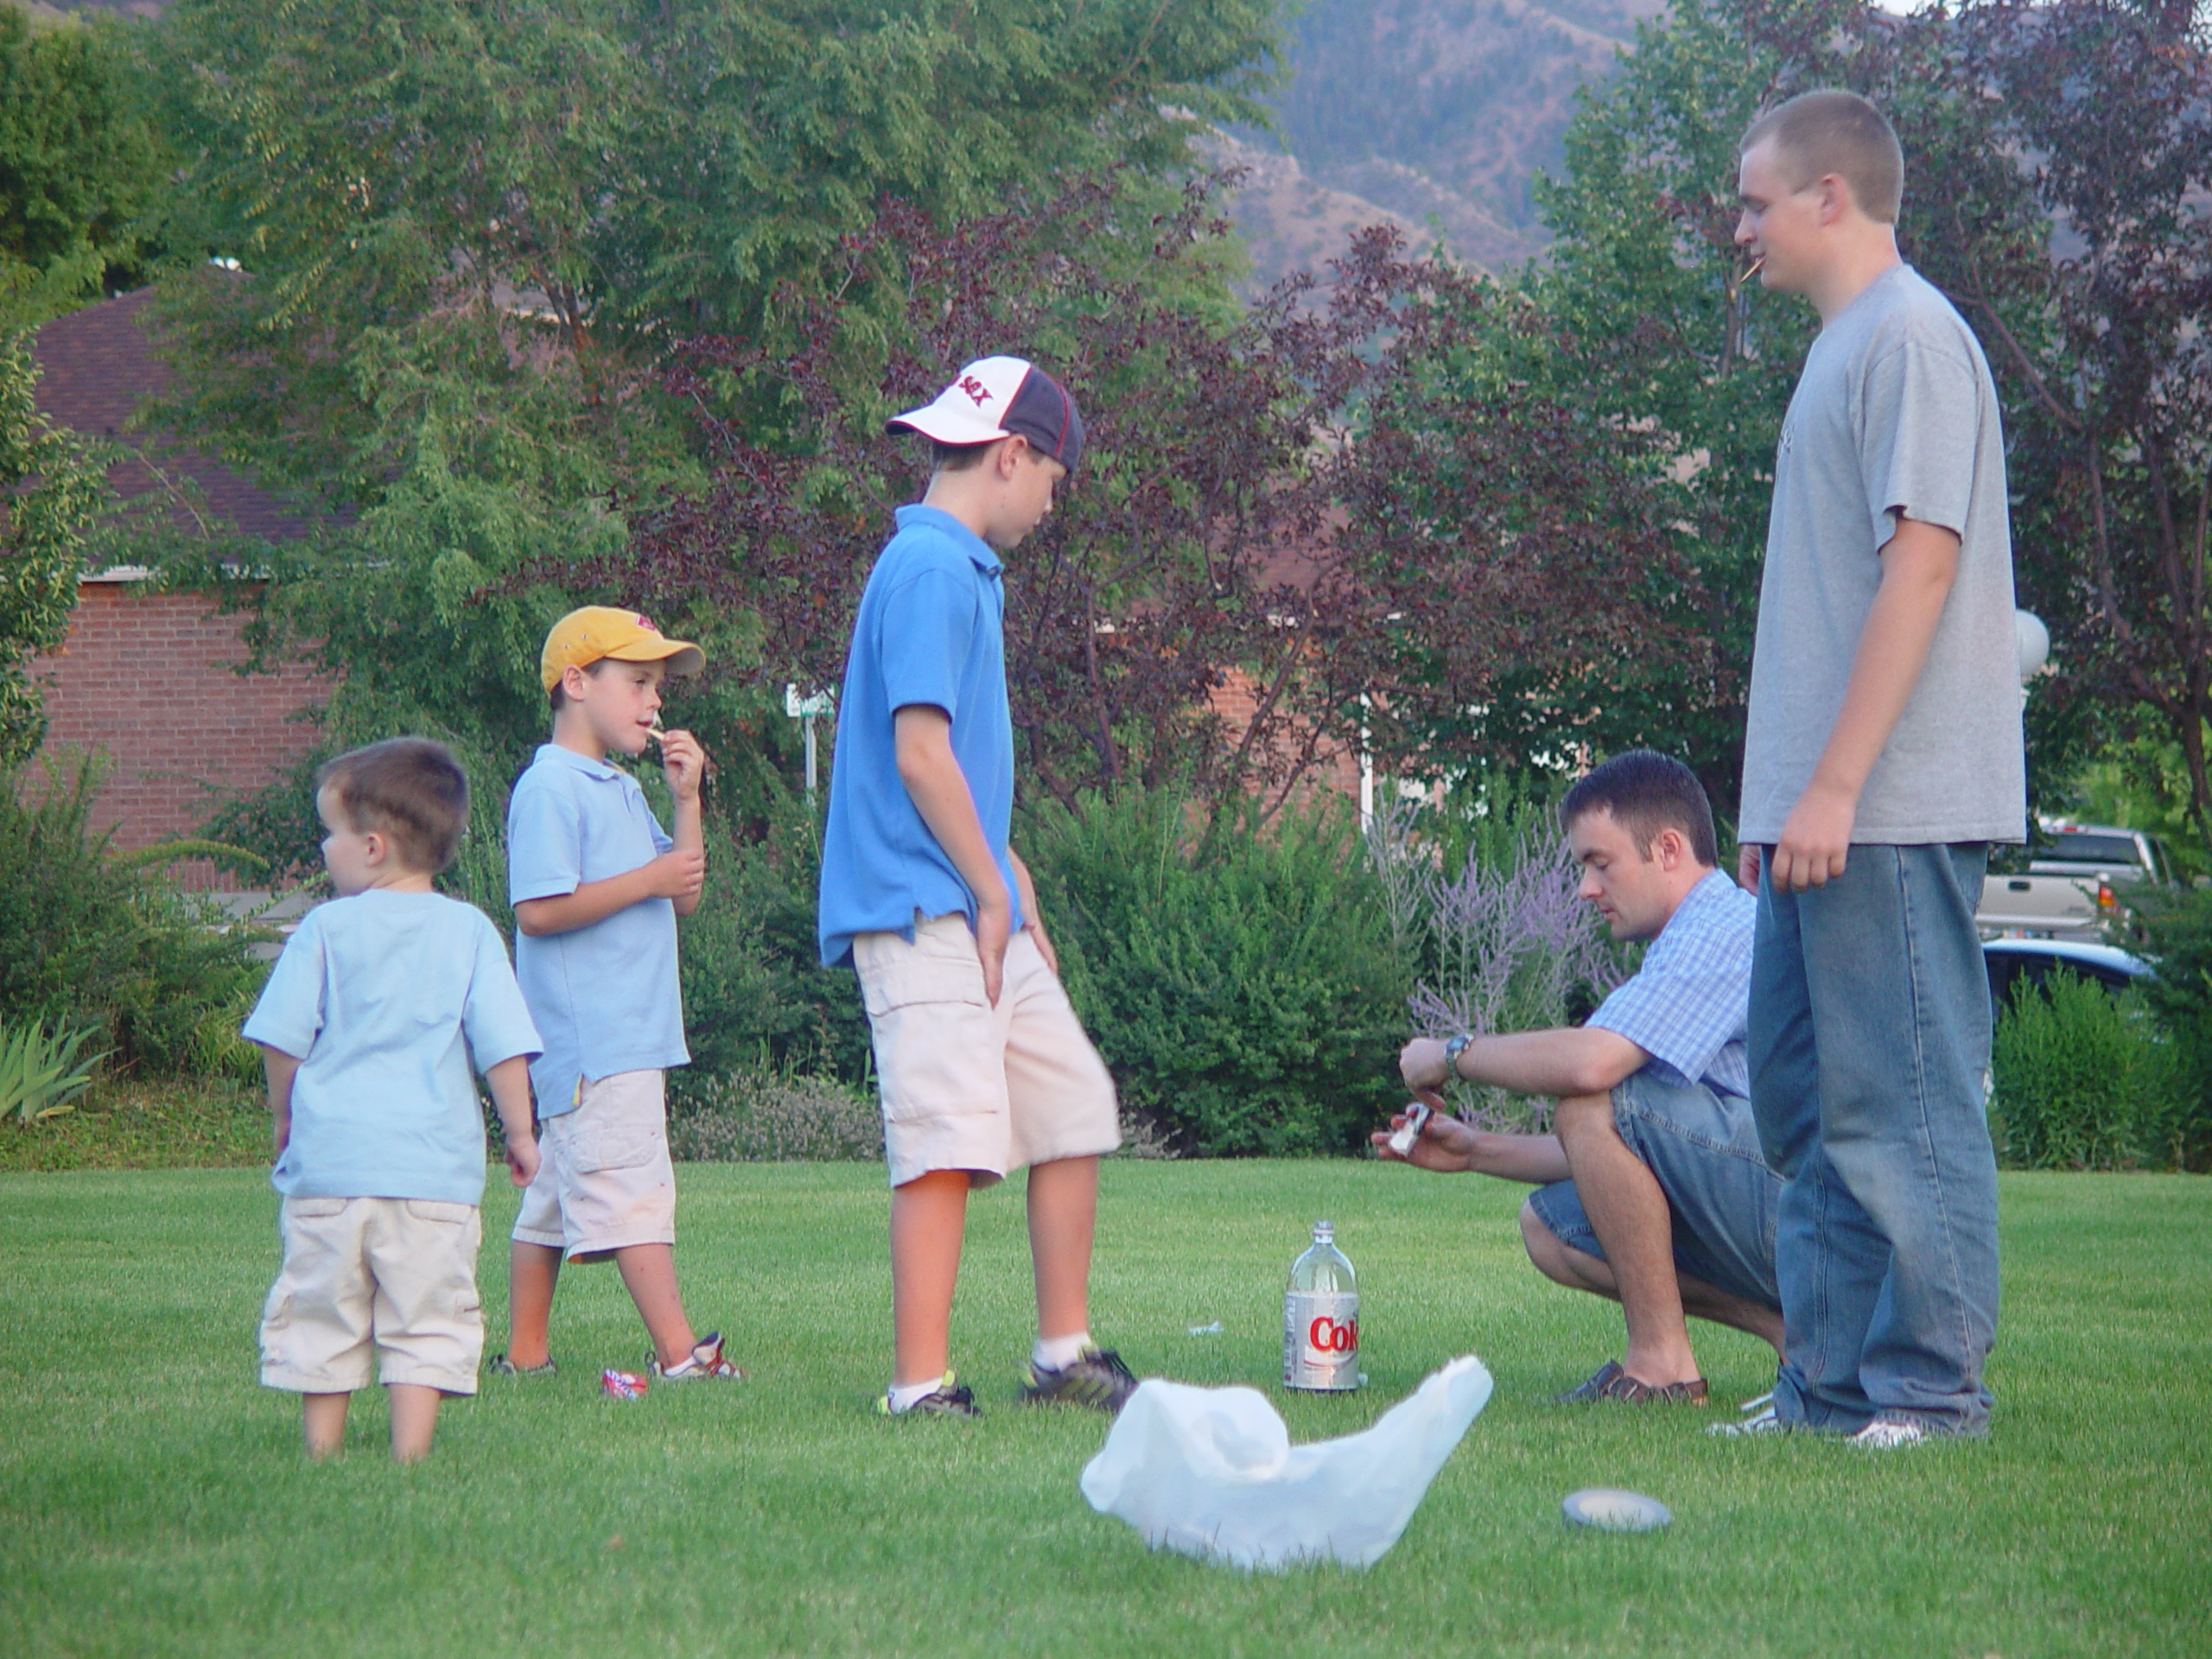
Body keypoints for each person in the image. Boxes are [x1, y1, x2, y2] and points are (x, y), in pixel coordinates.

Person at [1732, 91, 2024, 1445]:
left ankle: (1928, 1394)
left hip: (1888, 812)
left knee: (1900, 1103)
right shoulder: (1841, 348)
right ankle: (1827, 1390)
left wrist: (1839, 786)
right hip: (1817, 815)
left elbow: (1924, 564)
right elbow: (1819, 608)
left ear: (1831, 196)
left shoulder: (1910, 338)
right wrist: (1776, 799)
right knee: (1806, 1110)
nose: (1741, 228)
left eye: (1755, 202)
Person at [818, 355, 1133, 1420]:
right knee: (946, 1143)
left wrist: (1015, 883)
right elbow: (919, 753)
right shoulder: (932, 571)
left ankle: (1062, 1354)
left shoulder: (957, 572)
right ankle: (918, 1385)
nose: (1053, 502)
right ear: (1014, 453)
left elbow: (961, 775)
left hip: (975, 895)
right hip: (924, 909)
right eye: (1055, 478)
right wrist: (990, 894)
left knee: (1069, 1106)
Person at [1384, 751, 1783, 1403]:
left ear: (1668, 848)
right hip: (1768, 1199)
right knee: (1552, 1227)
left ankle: (1663, 1367)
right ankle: (1787, 1329)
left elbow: (1590, 1074)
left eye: (1601, 863)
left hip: (1817, 1216)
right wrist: (1477, 1149)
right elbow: (1623, 1144)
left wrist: (1451, 1053)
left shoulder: (1722, 929)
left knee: (1591, 1096)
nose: (1585, 889)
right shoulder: (1683, 944)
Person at [245, 739, 543, 1460]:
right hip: (432, 1176)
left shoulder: (322, 930)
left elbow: (283, 1040)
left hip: (331, 1169)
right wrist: (520, 1132)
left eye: (332, 833)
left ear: (372, 846)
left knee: (324, 1310)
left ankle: (323, 1448)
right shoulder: (470, 931)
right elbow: (502, 1047)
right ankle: (410, 1455)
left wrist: (285, 1113)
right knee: (426, 1315)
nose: (325, 847)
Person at [495, 607, 743, 1382]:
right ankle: (680, 1357)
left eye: (658, 688)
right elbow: (537, 912)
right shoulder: (550, 788)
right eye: (637, 682)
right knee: (631, 1191)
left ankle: (526, 1356)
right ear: (576, 682)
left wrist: (687, 801)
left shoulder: (621, 788)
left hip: (624, 1032)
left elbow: (685, 892)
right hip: (597, 1040)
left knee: (553, 1202)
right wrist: (650, 879)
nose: (654, 703)